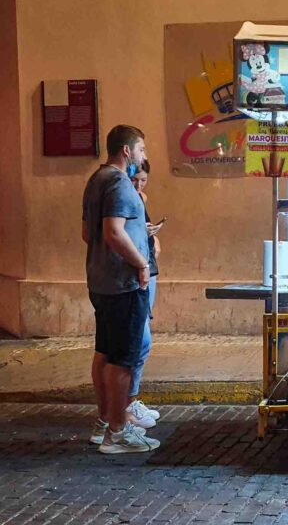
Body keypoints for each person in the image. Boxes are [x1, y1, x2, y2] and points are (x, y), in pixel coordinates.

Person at [82, 124, 160, 454]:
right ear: (126, 151)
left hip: (100, 281)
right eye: (141, 149)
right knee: (122, 360)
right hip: (123, 285)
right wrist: (141, 263)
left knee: (106, 353)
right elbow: (113, 232)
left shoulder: (95, 180)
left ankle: (105, 423)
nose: (144, 156)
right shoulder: (119, 183)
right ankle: (118, 431)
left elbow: (90, 234)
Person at [126, 159, 163, 429]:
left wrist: (154, 237)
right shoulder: (123, 200)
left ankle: (129, 403)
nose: (139, 185)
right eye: (135, 180)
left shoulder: (140, 199)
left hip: (149, 272)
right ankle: (124, 408)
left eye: (143, 180)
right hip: (138, 275)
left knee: (141, 340)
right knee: (139, 341)